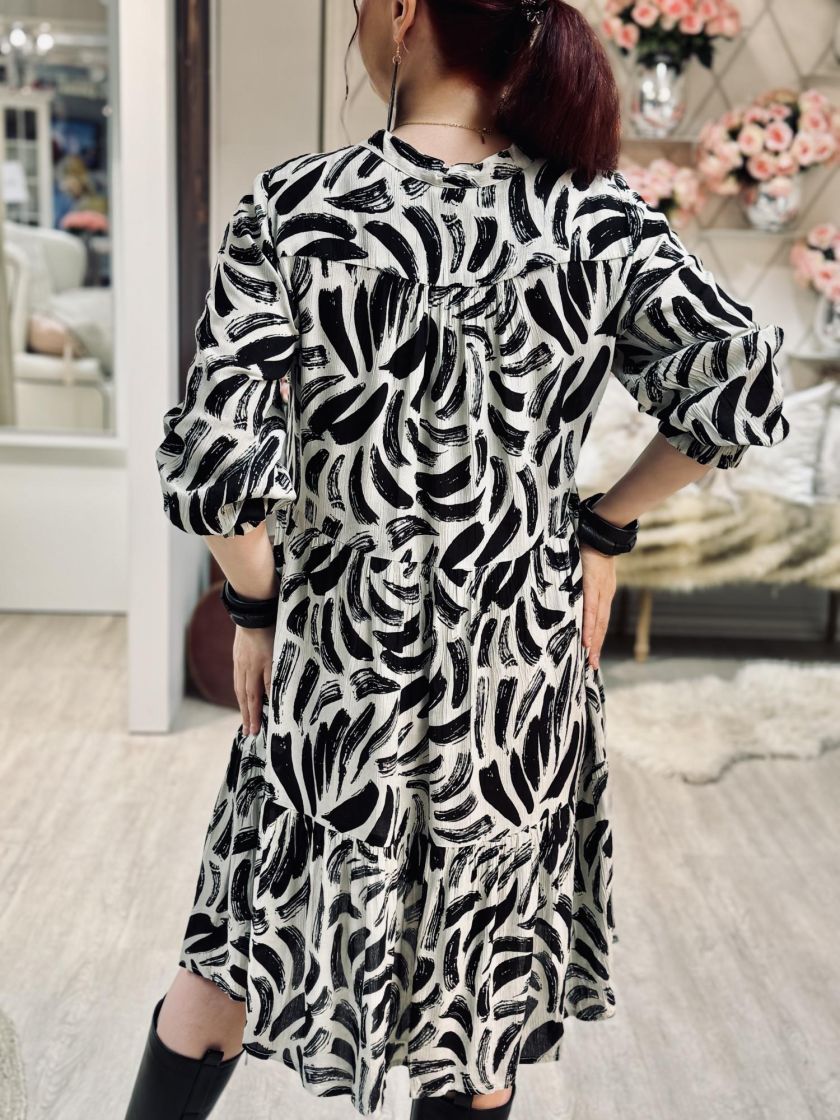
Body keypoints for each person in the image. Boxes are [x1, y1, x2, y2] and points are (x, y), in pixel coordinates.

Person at [126, 0, 792, 1117]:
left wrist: (255, 609)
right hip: (515, 677)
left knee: (234, 953)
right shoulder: (598, 219)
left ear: (403, 13)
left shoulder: (298, 208)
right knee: (475, 1013)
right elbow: (743, 382)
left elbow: (215, 472)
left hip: (338, 666)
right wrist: (604, 527)